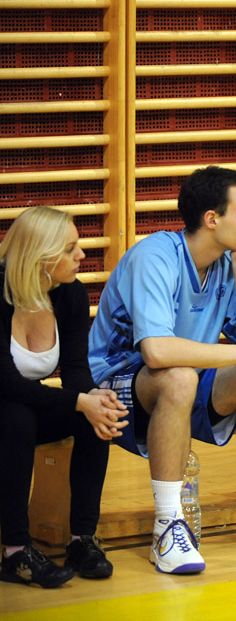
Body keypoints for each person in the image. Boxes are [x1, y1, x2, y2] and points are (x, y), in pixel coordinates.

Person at [88, 166, 236, 576]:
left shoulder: (222, 263)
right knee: (179, 377)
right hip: (117, 384)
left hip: (185, 377)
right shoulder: (156, 256)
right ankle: (167, 526)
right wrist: (233, 355)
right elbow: (156, 352)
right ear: (212, 219)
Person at [0, 207, 126, 588]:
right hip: (7, 406)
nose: (81, 256)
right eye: (70, 248)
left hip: (24, 407)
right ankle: (15, 552)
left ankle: (81, 540)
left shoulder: (70, 293)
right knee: (17, 417)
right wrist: (78, 401)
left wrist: (93, 397)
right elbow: (6, 384)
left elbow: (75, 369)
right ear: (40, 256)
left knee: (95, 415)